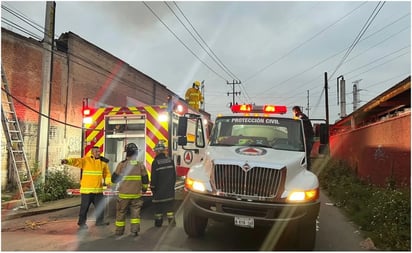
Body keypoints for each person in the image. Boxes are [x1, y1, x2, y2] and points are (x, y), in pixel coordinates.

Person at [61, 146, 111, 230]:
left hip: (98, 190)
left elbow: (107, 174)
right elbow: (76, 161)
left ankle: (99, 221)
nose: (98, 153)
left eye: (99, 151)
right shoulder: (86, 160)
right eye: (96, 151)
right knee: (84, 209)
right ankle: (82, 224)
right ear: (92, 152)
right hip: (87, 191)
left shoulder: (103, 162)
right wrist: (67, 161)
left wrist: (108, 182)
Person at [111, 143, 149, 237]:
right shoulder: (140, 165)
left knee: (121, 213)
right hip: (136, 195)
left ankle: (119, 231)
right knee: (135, 214)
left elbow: (114, 179)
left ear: (127, 153)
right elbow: (145, 179)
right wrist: (144, 189)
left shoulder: (122, 165)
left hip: (123, 195)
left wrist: (113, 188)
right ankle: (134, 231)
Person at [151, 140, 177, 227]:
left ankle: (158, 223)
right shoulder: (170, 160)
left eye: (155, 151)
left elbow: (154, 177)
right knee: (170, 207)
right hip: (169, 189)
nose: (155, 153)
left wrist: (153, 187)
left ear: (158, 151)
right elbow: (174, 175)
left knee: (158, 208)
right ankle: (172, 222)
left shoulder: (155, 162)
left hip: (159, 190)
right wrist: (172, 186)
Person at [292, 106, 315, 170]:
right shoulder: (303, 116)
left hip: (307, 138)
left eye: (294, 112)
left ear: (295, 111)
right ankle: (307, 168)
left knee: (305, 155)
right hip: (308, 138)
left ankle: (307, 169)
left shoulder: (301, 116)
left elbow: (300, 123)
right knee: (306, 155)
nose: (294, 113)